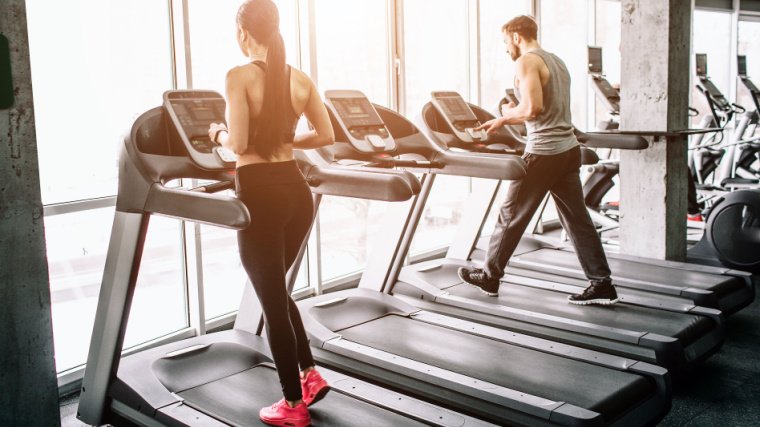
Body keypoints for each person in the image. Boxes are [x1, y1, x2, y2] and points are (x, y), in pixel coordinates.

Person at [207, 1, 334, 425]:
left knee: (272, 301)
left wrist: (216, 132)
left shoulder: (238, 76)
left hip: (260, 194)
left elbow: (239, 144)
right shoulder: (300, 79)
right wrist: (284, 140)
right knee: (276, 289)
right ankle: (309, 374)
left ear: (243, 33)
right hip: (297, 193)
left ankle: (293, 405)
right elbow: (326, 133)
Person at [457, 15, 618, 306]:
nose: (507, 49)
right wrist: (514, 109)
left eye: (506, 42)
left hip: (544, 152)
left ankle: (490, 276)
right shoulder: (556, 60)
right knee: (578, 220)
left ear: (517, 37)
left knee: (511, 215)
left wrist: (503, 117)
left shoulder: (526, 61)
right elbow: (549, 108)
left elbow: (533, 108)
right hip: (567, 151)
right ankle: (602, 283)